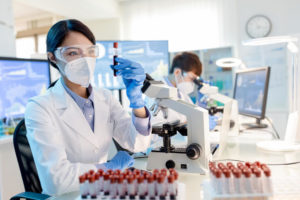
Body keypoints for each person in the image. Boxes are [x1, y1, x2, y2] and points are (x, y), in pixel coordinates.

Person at [25, 19, 152, 195]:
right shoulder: (40, 107)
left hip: (102, 191)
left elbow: (136, 144)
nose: (84, 60)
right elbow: (57, 180)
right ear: (52, 57)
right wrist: (109, 168)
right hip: (65, 197)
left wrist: (137, 102)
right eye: (72, 53)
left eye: (90, 51)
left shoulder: (105, 97)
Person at [150, 52, 217, 130]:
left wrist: (202, 106)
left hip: (182, 140)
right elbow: (154, 130)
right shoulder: (157, 92)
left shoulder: (180, 92)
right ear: (177, 72)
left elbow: (193, 114)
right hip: (165, 141)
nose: (192, 83)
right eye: (192, 79)